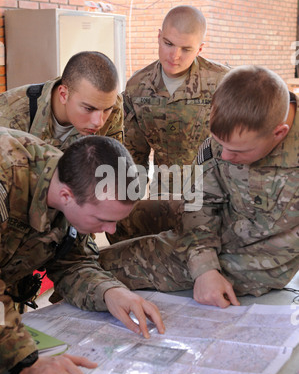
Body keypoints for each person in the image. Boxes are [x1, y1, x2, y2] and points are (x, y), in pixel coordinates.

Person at [98, 65, 299, 308]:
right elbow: (199, 202)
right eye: (218, 143)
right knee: (124, 216)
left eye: (237, 151)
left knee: (103, 267)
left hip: (249, 257)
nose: (224, 155)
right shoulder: (231, 131)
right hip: (221, 220)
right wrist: (204, 265)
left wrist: (206, 270)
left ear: (279, 133)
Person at [0, 129, 164, 374]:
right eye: (103, 219)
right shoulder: (6, 174)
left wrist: (110, 292)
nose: (110, 231)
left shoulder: (72, 182)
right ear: (66, 196)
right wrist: (25, 360)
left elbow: (72, 263)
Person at [109, 5, 230, 243]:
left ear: (200, 48)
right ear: (158, 37)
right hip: (164, 197)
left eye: (186, 49)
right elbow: (134, 158)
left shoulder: (223, 84)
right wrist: (123, 206)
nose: (175, 56)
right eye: (168, 44)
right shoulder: (138, 87)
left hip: (214, 198)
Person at [0, 51, 124, 150]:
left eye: (107, 109)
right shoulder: (10, 114)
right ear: (63, 94)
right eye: (88, 108)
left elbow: (112, 168)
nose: (99, 122)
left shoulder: (113, 105)